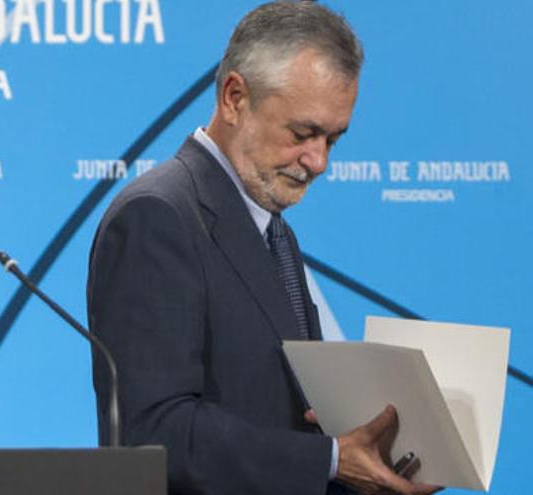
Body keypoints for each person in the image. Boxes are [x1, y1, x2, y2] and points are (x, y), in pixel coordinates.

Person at [86, 2, 441, 494]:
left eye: (333, 141)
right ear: (234, 98)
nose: (317, 162)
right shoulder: (157, 216)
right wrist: (333, 458)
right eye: (303, 133)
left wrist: (371, 458)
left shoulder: (274, 230)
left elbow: (283, 420)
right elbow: (151, 431)